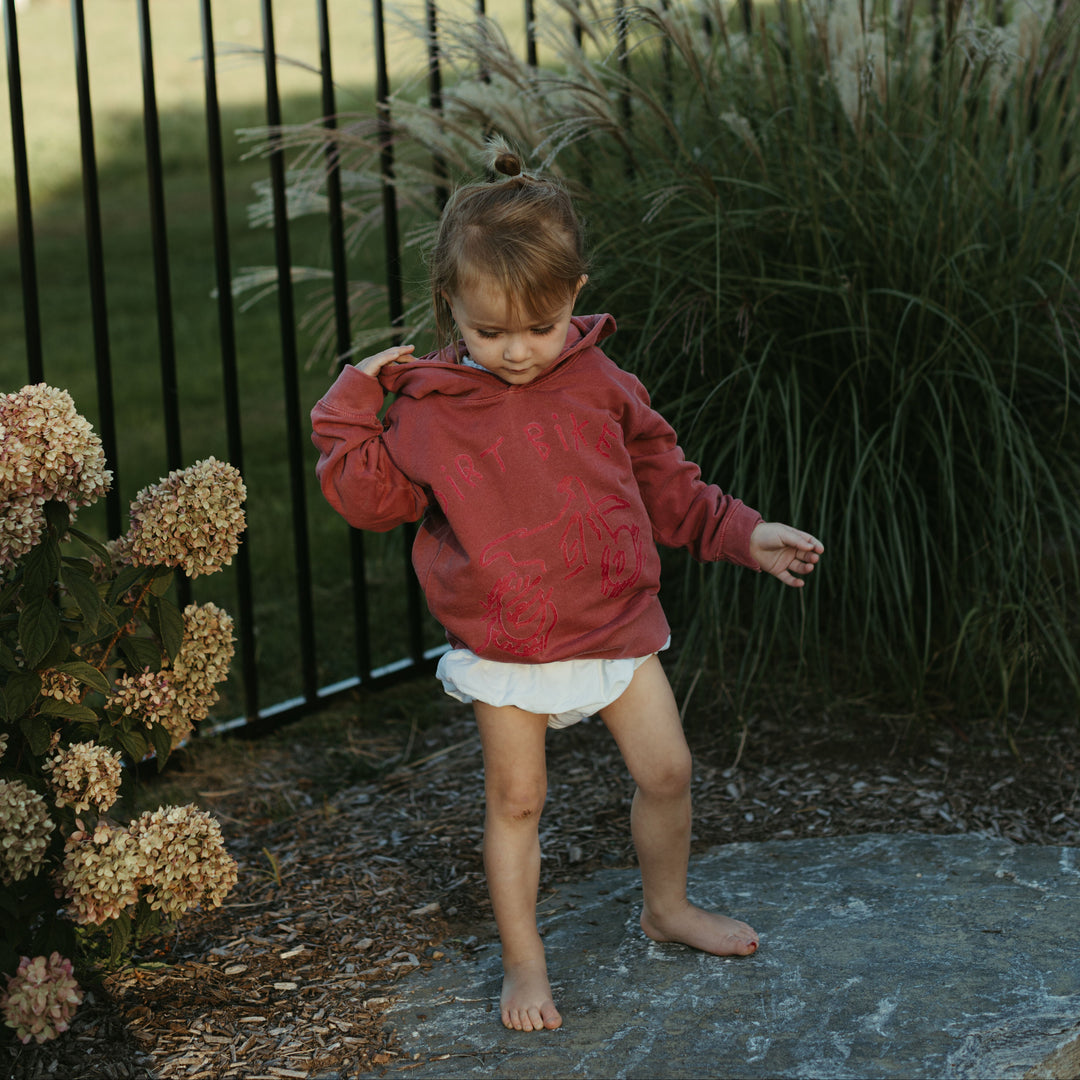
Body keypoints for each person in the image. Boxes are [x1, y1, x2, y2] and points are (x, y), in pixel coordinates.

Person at [311, 144, 823, 1033]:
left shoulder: (601, 384)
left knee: (668, 771)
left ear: (576, 294)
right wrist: (353, 401)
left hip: (615, 623)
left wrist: (744, 531)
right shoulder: (428, 410)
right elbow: (367, 497)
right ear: (451, 308)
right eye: (490, 331)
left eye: (540, 327)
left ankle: (667, 907)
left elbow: (669, 483)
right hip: (507, 641)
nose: (517, 351)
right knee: (517, 803)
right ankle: (524, 961)